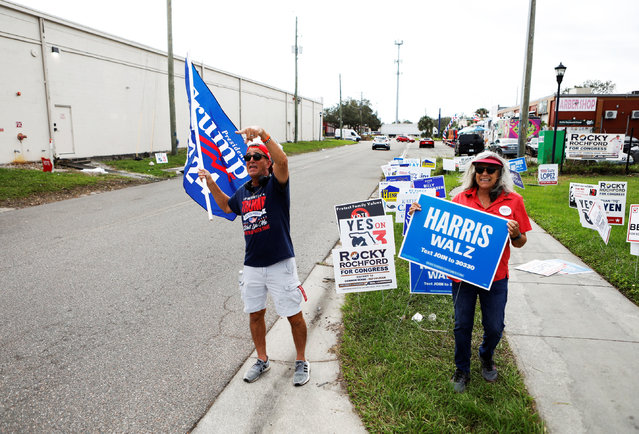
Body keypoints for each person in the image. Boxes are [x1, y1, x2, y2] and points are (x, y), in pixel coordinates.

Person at [409, 151, 531, 393]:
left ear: (499, 174)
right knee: (462, 325)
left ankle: (486, 355)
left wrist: (516, 234)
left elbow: (520, 242)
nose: (484, 173)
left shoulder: (514, 200)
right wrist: (419, 215)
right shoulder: (460, 198)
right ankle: (462, 369)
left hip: (496, 277)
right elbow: (439, 226)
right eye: (480, 169)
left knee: (495, 327)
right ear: (474, 171)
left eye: (490, 170)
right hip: (462, 277)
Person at [198, 126, 310, 387]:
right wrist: (211, 182)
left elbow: (282, 160)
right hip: (252, 267)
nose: (250, 161)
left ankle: (302, 360)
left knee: (293, 315)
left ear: (267, 163)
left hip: (281, 264)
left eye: (257, 157)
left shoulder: (277, 186)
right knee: (255, 315)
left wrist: (263, 134)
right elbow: (227, 206)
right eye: (248, 158)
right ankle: (262, 359)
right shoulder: (244, 190)